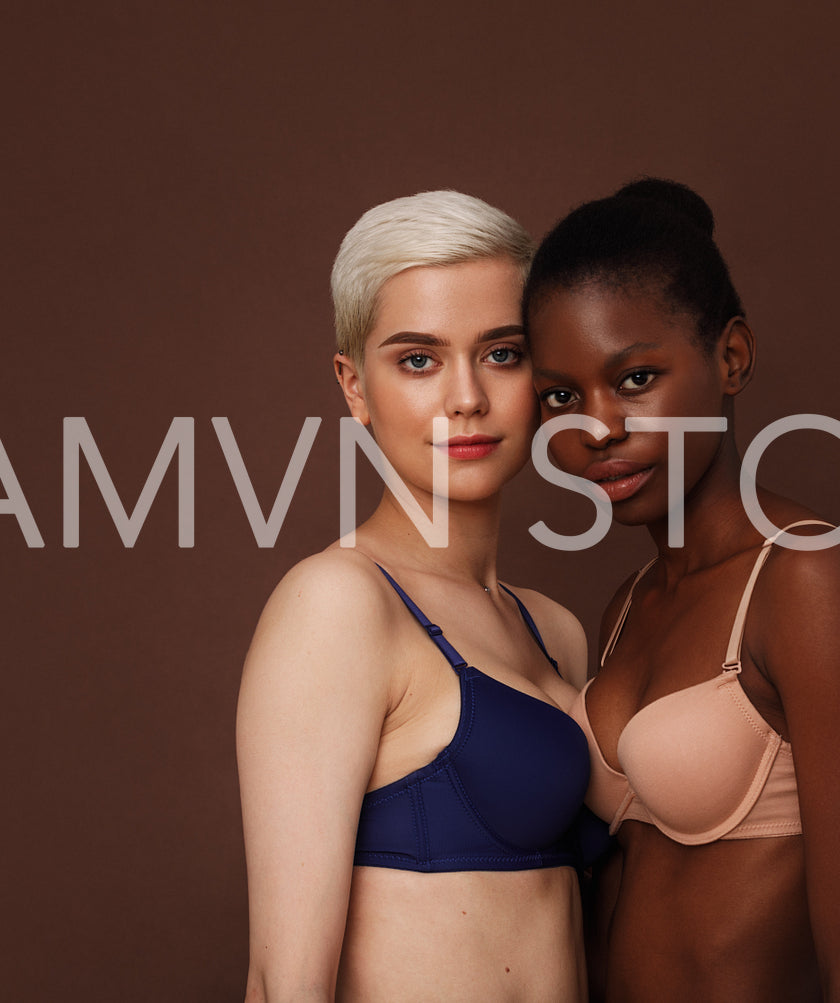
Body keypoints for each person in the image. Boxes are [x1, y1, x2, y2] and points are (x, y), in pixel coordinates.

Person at [524, 179, 840, 1001]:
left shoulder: (803, 576)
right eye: (561, 396)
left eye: (634, 379)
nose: (595, 427)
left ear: (729, 357)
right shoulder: (626, 606)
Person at [237, 191, 594, 1002]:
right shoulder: (338, 603)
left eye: (501, 352)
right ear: (354, 387)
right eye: (418, 359)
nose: (465, 396)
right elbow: (283, 982)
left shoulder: (554, 631)